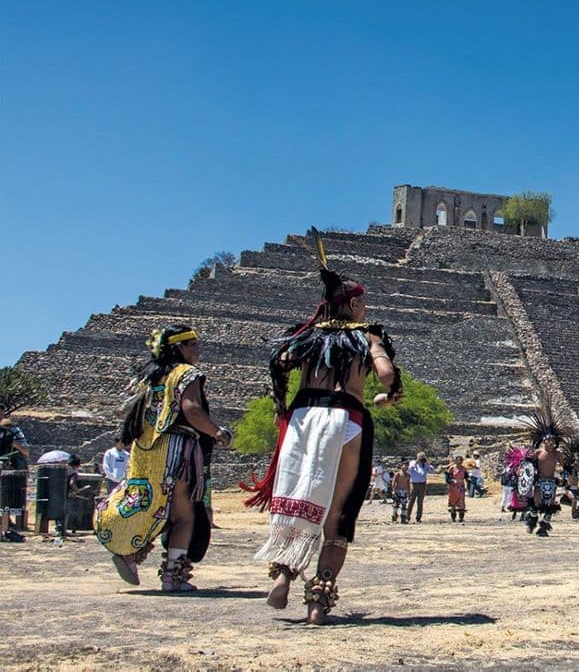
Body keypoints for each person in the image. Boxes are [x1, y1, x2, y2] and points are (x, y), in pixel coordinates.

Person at [241, 228, 402, 625]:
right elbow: (383, 374)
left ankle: (282, 573)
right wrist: (393, 388)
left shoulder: (309, 335)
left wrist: (284, 405)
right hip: (346, 420)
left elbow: (278, 363)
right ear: (357, 303)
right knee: (339, 513)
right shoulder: (366, 336)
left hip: (303, 419)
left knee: (295, 494)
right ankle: (319, 597)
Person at [95, 325, 232, 591]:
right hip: (177, 451)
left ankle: (132, 553)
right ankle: (173, 576)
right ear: (178, 348)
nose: (197, 348)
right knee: (183, 514)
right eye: (192, 343)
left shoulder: (151, 377)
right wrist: (218, 432)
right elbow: (191, 410)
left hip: (146, 451)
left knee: (154, 506)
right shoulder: (186, 374)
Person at [519, 404, 566, 537]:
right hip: (539, 482)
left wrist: (566, 476)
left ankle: (543, 528)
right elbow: (526, 465)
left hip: (551, 483)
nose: (551, 442)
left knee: (549, 506)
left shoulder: (557, 454)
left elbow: (565, 467)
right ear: (544, 441)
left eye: (553, 440)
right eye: (549, 439)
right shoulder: (538, 453)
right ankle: (531, 521)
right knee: (537, 504)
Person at [0, 417, 31, 542]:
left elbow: (26, 452)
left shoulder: (14, 437)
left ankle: (6, 526)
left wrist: (15, 445)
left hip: (10, 473)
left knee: (7, 500)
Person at [561, 436, 579, 520]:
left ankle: (578, 513)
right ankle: (574, 515)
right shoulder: (568, 469)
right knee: (574, 500)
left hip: (576, 489)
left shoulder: (577, 469)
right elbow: (564, 478)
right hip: (569, 489)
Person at [405, 452, 437, 522]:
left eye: (423, 458)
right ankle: (407, 516)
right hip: (414, 484)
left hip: (422, 484)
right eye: (421, 458)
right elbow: (409, 470)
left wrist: (427, 464)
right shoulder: (413, 463)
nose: (422, 459)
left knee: (420, 501)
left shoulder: (425, 464)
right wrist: (416, 462)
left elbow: (432, 471)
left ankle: (418, 517)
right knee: (411, 500)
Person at [446, 455, 467, 523]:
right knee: (453, 502)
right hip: (453, 487)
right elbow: (447, 478)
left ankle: (461, 518)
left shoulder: (463, 469)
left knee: (461, 502)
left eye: (461, 461)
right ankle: (453, 518)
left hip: (461, 486)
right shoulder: (452, 469)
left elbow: (467, 477)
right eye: (458, 461)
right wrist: (452, 481)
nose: (460, 462)